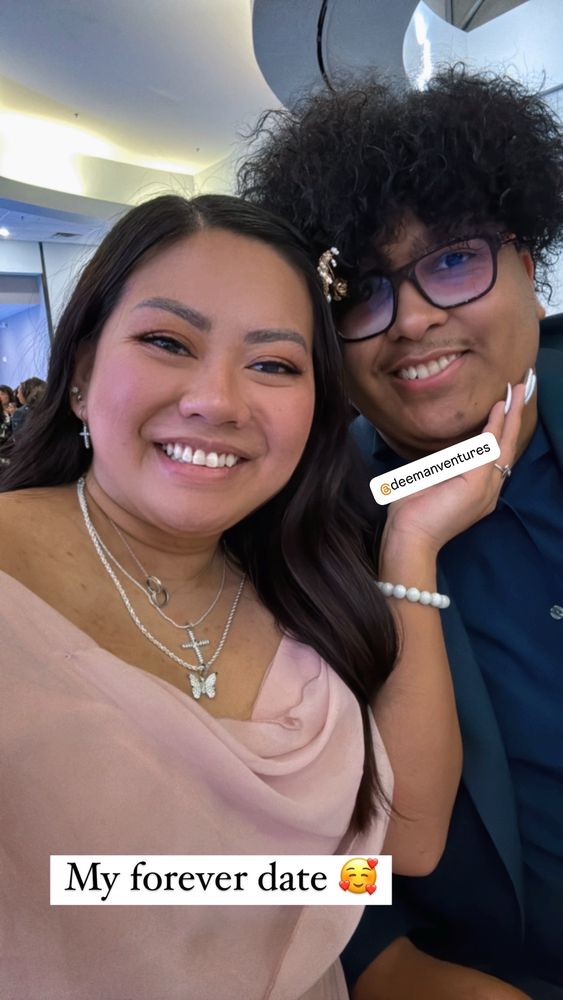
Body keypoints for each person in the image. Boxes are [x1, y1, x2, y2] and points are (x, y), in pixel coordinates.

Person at [0, 192, 523, 1000]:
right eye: (167, 343)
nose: (217, 400)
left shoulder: (295, 578)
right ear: (79, 374)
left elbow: (401, 849)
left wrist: (411, 544)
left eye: (274, 364)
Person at [238, 68, 563, 998]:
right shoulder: (280, 528)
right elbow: (283, 847)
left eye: (454, 260)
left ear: (528, 268)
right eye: (360, 290)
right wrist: (382, 960)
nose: (413, 318)